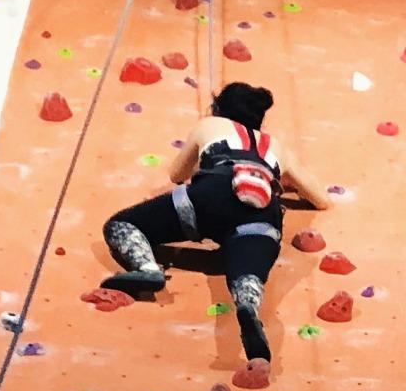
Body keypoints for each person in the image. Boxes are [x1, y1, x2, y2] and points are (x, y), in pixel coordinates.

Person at [100, 81, 330, 364]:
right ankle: (247, 305)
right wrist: (284, 182)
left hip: (207, 199)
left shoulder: (209, 125)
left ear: (219, 108)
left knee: (123, 225)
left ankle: (147, 268)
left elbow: (176, 174)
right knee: (248, 274)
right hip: (260, 215)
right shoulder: (277, 148)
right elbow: (321, 200)